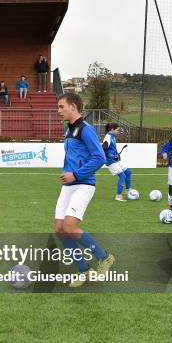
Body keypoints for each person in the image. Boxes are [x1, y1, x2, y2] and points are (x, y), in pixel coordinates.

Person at [55, 92, 115, 288]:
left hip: (83, 184)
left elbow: (99, 157)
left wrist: (76, 174)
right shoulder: (69, 129)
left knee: (70, 227)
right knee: (60, 229)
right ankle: (84, 270)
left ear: (73, 106)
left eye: (61, 106)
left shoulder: (85, 129)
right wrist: (67, 173)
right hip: (69, 185)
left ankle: (104, 257)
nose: (58, 111)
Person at [102, 123, 134, 202]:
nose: (118, 131)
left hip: (116, 160)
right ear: (112, 129)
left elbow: (111, 148)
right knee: (122, 176)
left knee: (128, 172)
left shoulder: (112, 136)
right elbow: (104, 148)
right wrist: (111, 156)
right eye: (117, 130)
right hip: (110, 161)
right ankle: (118, 196)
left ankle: (128, 190)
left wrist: (116, 155)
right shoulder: (108, 137)